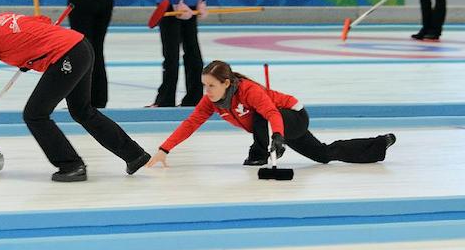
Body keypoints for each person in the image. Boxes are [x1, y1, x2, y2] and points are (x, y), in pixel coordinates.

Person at [0, 2, 151, 182]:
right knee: (82, 111)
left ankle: (72, 166)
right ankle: (134, 155)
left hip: (67, 55)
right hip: (81, 47)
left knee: (35, 114)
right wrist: (27, 56)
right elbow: (41, 21)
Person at [146, 60, 396, 169]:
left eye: (211, 85)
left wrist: (278, 136)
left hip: (293, 117)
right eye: (204, 85)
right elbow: (190, 124)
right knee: (323, 155)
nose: (206, 90)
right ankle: (379, 144)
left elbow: (270, 112)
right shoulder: (210, 101)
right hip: (274, 126)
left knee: (259, 117)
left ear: (226, 83)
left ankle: (259, 152)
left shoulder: (249, 90)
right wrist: (164, 149)